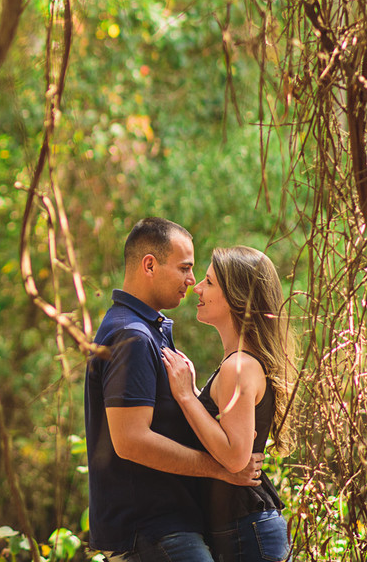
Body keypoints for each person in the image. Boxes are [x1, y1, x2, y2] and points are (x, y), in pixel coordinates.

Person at [85, 218, 264, 562]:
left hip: (166, 528)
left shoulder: (146, 330)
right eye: (184, 268)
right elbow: (131, 440)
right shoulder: (132, 336)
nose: (192, 281)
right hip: (151, 530)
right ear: (149, 265)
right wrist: (221, 469)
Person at [161, 246, 292, 562]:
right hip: (243, 531)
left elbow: (235, 457)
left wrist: (186, 397)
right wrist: (196, 393)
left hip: (248, 533)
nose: (197, 288)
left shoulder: (239, 366)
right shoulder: (239, 363)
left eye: (209, 282)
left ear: (237, 298)